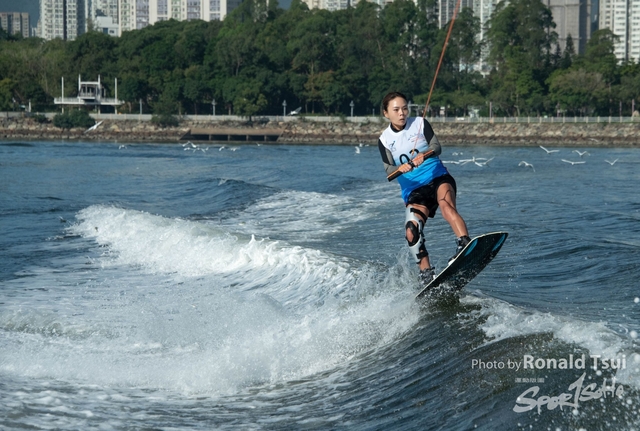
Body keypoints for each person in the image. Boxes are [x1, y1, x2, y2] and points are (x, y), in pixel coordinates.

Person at [377, 91, 470, 286]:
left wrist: (424, 155)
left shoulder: (419, 123)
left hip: (438, 178)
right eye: (396, 110)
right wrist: (400, 168)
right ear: (386, 113)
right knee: (411, 231)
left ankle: (464, 244)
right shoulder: (384, 140)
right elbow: (389, 171)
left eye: (405, 108)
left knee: (446, 206)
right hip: (414, 191)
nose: (402, 113)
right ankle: (426, 273)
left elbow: (437, 147)